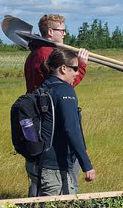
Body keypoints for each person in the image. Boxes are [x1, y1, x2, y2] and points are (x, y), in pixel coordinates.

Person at [23, 14, 89, 196]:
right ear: (51, 32)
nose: (65, 34)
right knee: (62, 181)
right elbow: (62, 87)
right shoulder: (48, 53)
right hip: (53, 124)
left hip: (39, 122)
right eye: (62, 30)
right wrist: (81, 66)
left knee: (38, 181)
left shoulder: (34, 53)